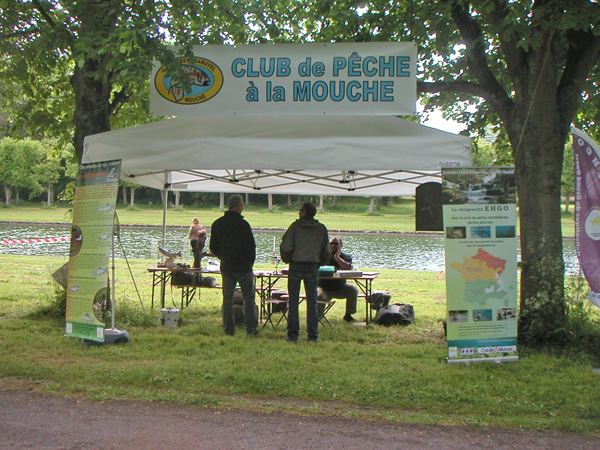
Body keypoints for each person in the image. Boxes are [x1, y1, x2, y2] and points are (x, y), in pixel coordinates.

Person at [209, 194, 258, 336]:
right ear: (239, 206)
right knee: (248, 298)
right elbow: (251, 246)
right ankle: (251, 329)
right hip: (243, 266)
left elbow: (214, 246)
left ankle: (228, 329)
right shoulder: (243, 224)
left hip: (227, 266)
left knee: (228, 298)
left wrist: (223, 257)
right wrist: (250, 262)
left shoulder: (218, 223)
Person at [280, 202, 330, 342]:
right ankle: (312, 335)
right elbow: (326, 250)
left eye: (299, 210)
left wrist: (288, 260)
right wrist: (320, 262)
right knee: (312, 301)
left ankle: (292, 334)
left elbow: (285, 246)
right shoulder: (321, 228)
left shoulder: (295, 227)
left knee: (293, 301)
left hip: (296, 265)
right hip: (313, 266)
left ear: (303, 212)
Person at [318, 236, 360, 322]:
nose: (333, 245)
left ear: (341, 245)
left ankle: (348, 315)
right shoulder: (323, 256)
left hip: (340, 288)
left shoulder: (345, 257)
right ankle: (318, 316)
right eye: (331, 243)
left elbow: (349, 268)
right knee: (318, 296)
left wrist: (337, 257)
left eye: (336, 244)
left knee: (353, 290)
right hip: (323, 288)